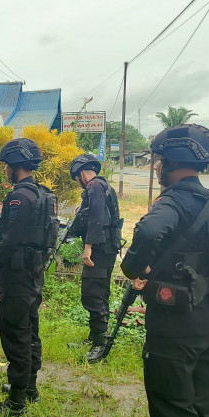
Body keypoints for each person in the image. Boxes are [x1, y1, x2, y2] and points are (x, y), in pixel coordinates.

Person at [120, 124, 209, 417]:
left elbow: (148, 235)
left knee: (173, 408)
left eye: (157, 161)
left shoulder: (174, 201)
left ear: (168, 162)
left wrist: (133, 268)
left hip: (175, 327)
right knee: (200, 403)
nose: (155, 168)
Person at [0, 138, 53, 417]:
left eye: (6, 165)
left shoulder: (19, 197)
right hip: (34, 272)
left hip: (17, 275)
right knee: (30, 329)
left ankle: (16, 404)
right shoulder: (42, 193)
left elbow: (9, 240)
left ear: (16, 166)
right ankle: (29, 387)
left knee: (16, 334)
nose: (5, 170)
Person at [67, 153, 122, 363]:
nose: (78, 183)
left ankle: (99, 343)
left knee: (92, 294)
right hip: (107, 248)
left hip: (99, 249)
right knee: (100, 293)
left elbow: (98, 217)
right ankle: (95, 337)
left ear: (81, 174)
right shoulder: (103, 186)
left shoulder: (94, 187)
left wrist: (87, 247)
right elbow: (97, 213)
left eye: (76, 179)